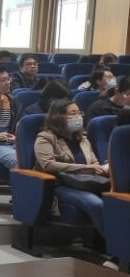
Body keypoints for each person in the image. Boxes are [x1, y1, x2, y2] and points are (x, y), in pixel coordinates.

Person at [34, 99, 106, 237]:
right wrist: (85, 167)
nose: (78, 116)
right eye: (72, 113)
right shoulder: (46, 137)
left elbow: (94, 162)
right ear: (58, 117)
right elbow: (48, 164)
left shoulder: (83, 138)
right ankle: (118, 245)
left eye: (79, 112)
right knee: (96, 204)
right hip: (61, 185)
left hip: (87, 182)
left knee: (118, 201)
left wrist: (103, 168)